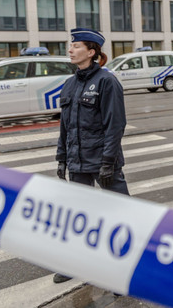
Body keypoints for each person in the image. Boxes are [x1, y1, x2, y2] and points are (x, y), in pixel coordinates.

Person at [53, 28, 128, 284]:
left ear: (92, 52)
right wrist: (62, 158)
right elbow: (65, 126)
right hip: (78, 162)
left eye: (76, 45)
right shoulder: (70, 84)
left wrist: (108, 162)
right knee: (78, 216)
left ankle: (121, 270)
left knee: (119, 216)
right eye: (70, 45)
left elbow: (115, 124)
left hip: (104, 162)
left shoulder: (107, 81)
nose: (70, 49)